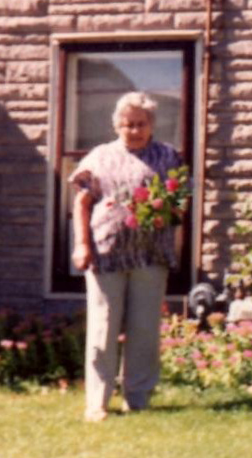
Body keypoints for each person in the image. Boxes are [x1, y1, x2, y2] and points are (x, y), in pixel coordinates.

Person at [69, 91, 183, 421]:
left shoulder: (168, 157)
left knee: (145, 330)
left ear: (151, 125)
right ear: (116, 125)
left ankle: (138, 398)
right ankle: (97, 403)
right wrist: (82, 245)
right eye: (127, 124)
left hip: (151, 255)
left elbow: (180, 200)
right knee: (103, 328)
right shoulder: (99, 157)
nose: (134, 130)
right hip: (107, 255)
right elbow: (82, 203)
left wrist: (169, 213)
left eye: (141, 124)